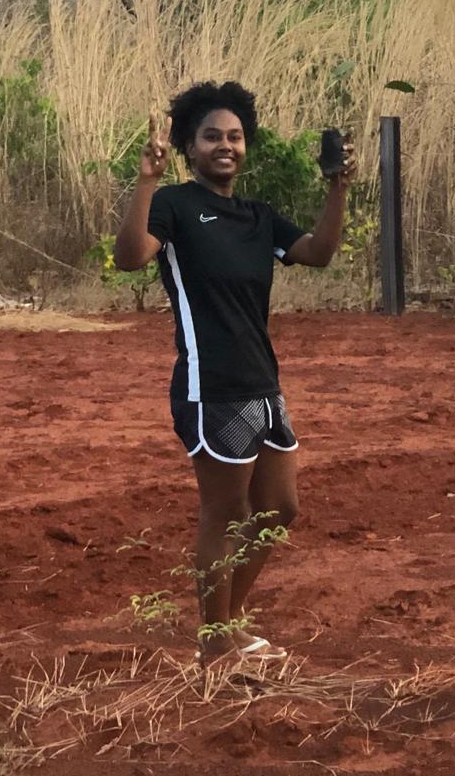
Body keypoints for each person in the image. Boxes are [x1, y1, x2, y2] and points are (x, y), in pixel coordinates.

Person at [113, 82, 355, 667]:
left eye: (235, 136)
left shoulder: (256, 215)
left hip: (263, 383)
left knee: (279, 509)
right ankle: (214, 642)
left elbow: (318, 253)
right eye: (212, 136)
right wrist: (146, 181)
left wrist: (338, 187)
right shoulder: (172, 203)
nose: (226, 146)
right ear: (189, 147)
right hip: (210, 385)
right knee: (225, 513)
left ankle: (225, 627)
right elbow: (130, 258)